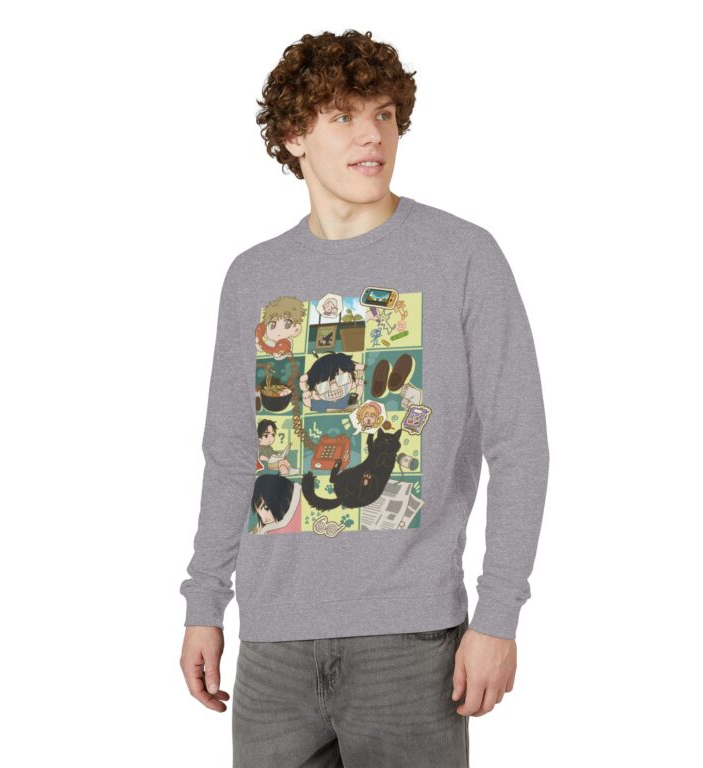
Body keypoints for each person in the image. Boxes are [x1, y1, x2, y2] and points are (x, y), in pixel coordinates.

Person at [179, 29, 550, 767]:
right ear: (294, 136)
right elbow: (233, 456)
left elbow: (519, 445)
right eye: (343, 116)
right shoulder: (254, 277)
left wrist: (499, 616)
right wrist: (204, 604)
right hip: (273, 649)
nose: (372, 135)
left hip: (411, 644)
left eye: (383, 114)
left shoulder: (462, 255)